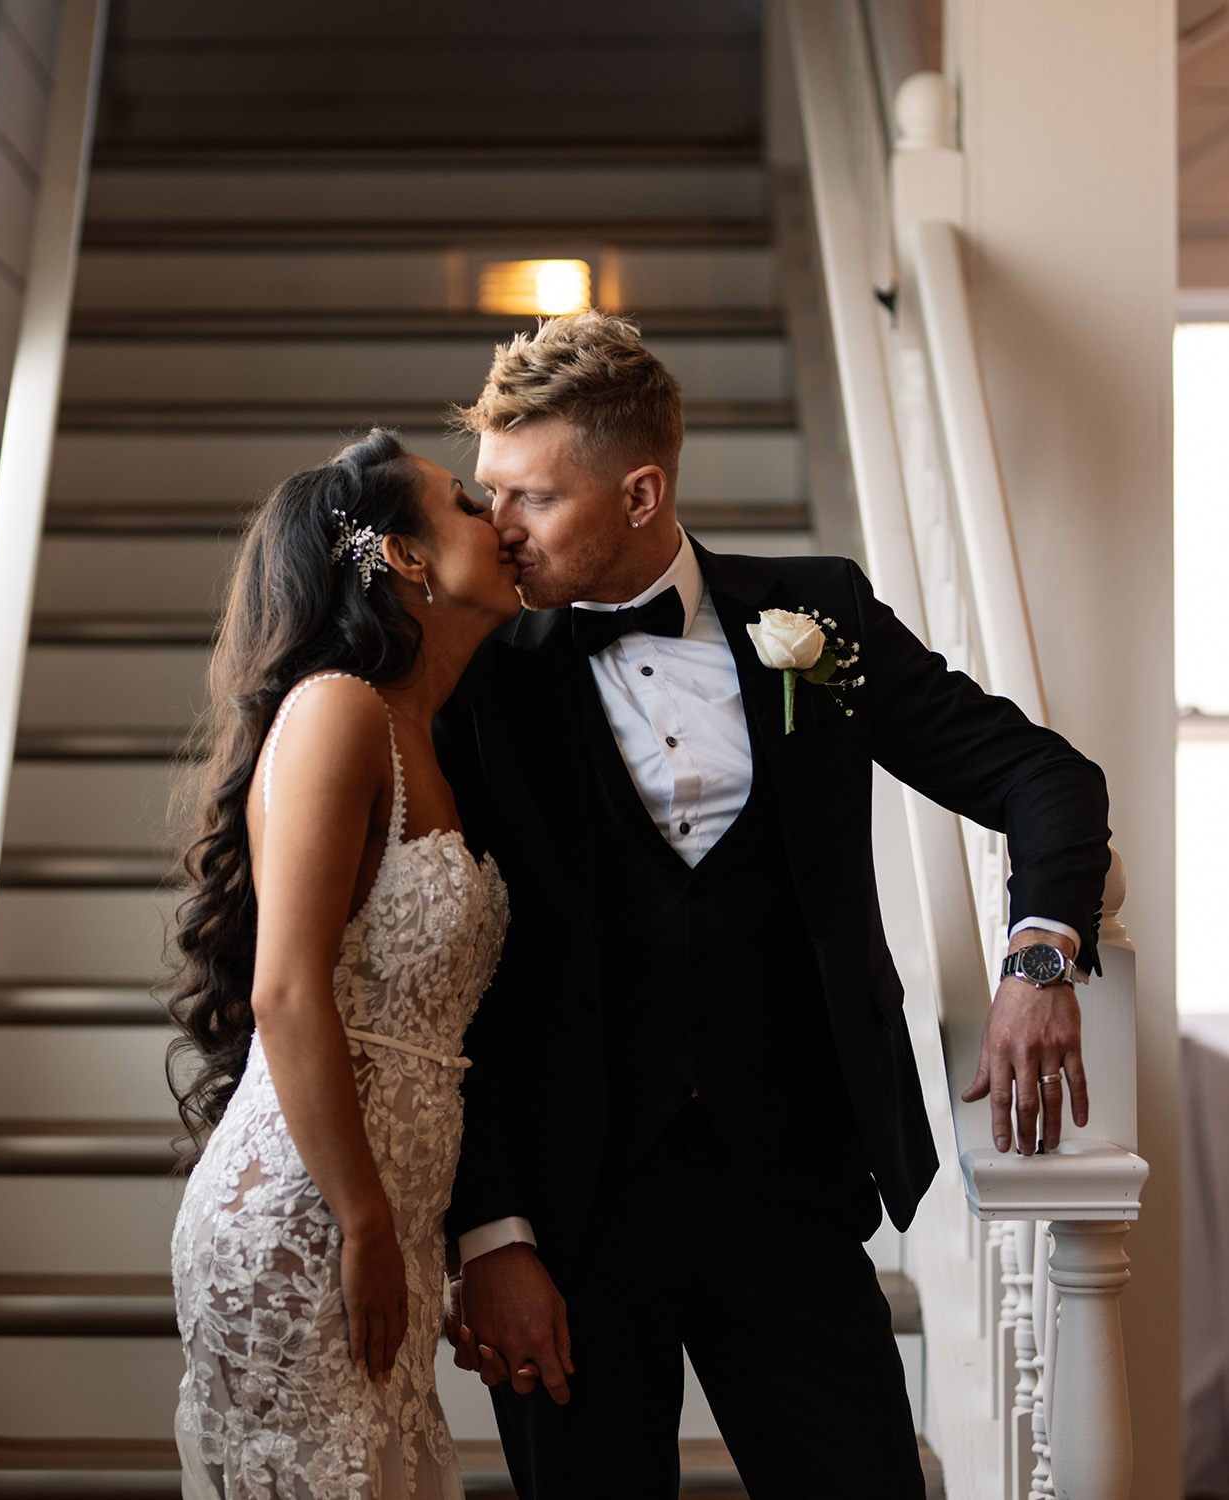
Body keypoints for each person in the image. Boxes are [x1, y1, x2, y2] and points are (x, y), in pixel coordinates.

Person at [434, 311, 1113, 1497]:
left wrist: (1041, 959)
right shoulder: (475, 671)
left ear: (640, 494)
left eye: (530, 499)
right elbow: (458, 981)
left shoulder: (818, 617)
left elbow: (1042, 776)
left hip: (791, 1192)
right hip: (572, 1215)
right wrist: (491, 1235)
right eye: (489, 493)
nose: (496, 530)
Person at [166, 429, 523, 1498]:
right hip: (307, 1217)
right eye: (465, 503)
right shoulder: (337, 710)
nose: (498, 519)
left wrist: (410, 1235)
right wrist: (365, 1219)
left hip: (384, 1224)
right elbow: (284, 987)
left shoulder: (436, 733)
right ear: (406, 559)